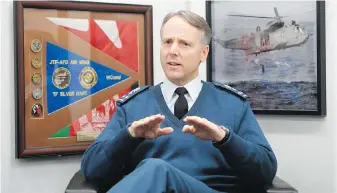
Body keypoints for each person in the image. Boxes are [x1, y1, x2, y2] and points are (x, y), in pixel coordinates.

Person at [80, 10, 277, 193]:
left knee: (156, 168)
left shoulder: (233, 104)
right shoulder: (133, 105)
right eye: (167, 42)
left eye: (184, 44)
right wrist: (129, 136)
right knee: (154, 169)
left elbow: (265, 170)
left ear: (204, 53)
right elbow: (92, 169)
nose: (172, 51)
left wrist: (224, 139)